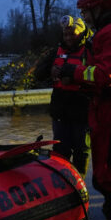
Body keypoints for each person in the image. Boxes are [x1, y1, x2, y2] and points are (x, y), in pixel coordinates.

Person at [59, 0, 111, 220]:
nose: (84, 18)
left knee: (109, 177)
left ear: (98, 8)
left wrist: (73, 72)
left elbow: (107, 75)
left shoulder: (110, 33)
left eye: (86, 12)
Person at [34, 15, 93, 178]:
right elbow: (38, 74)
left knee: (82, 150)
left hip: (83, 111)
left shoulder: (91, 50)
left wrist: (74, 77)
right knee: (60, 151)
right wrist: (49, 70)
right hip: (60, 112)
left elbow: (102, 78)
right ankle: (63, 182)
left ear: (81, 33)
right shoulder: (56, 51)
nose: (68, 38)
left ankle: (79, 181)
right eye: (65, 34)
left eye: (72, 34)